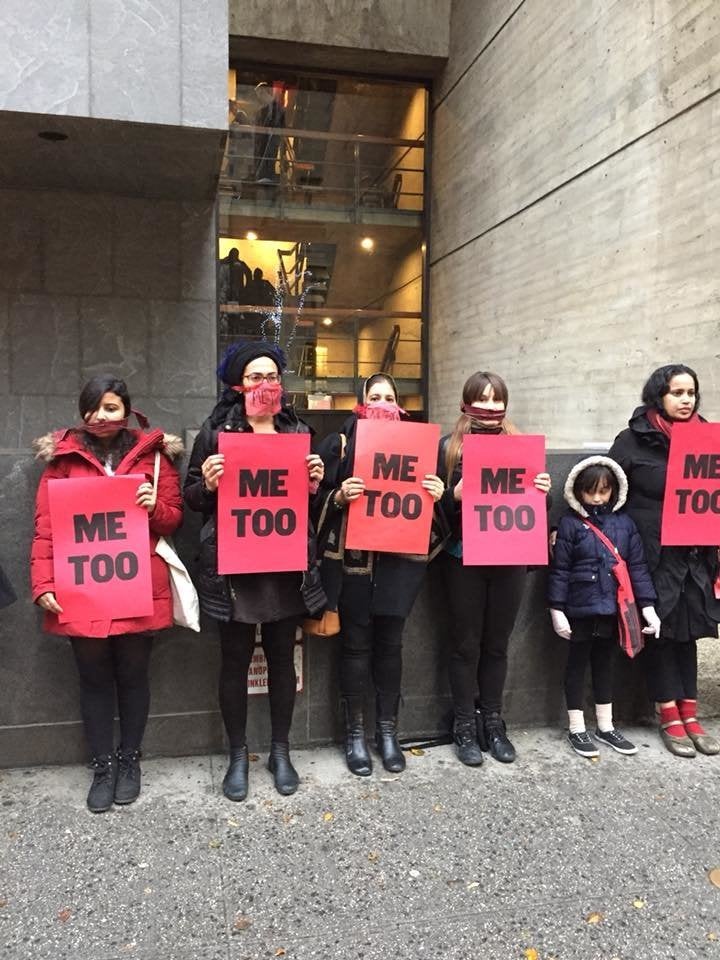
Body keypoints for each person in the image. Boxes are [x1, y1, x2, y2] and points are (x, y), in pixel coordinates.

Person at [30, 375, 184, 812]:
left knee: (134, 679)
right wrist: (43, 583)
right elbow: (46, 529)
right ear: (83, 412)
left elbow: (174, 520)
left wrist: (155, 506)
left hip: (138, 585)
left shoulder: (154, 457)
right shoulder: (62, 460)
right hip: (83, 590)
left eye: (112, 407)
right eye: (94, 407)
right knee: (94, 680)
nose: (102, 415)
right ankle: (102, 766)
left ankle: (129, 762)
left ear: (127, 410)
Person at [184, 340, 324, 799]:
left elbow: (308, 503)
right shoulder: (215, 431)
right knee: (235, 662)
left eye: (272, 376)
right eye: (255, 377)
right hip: (235, 568)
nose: (265, 384)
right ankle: (237, 755)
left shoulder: (296, 430)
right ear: (237, 385)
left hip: (284, 565)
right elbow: (191, 499)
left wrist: (316, 484)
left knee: (284, 658)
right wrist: (206, 483)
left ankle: (281, 752)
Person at [313, 374, 446, 776]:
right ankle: (354, 735)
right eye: (375, 396)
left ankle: (387, 732)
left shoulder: (420, 450)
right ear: (360, 402)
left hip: (399, 565)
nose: (383, 403)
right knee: (354, 647)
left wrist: (436, 493)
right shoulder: (337, 444)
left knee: (391, 646)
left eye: (390, 397)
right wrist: (337, 496)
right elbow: (312, 500)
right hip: (352, 564)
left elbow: (439, 520)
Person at [436, 371, 552, 766]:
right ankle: (465, 725)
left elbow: (534, 514)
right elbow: (430, 514)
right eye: (482, 398)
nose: (489, 406)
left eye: (496, 398)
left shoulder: (520, 446)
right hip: (461, 558)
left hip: (510, 559)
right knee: (465, 645)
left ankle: (494, 721)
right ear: (466, 401)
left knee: (497, 645)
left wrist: (542, 492)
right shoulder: (446, 449)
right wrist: (453, 495)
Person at [608, 364, 720, 757]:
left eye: (691, 392)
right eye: (677, 392)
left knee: (688, 632)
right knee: (662, 632)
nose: (686, 400)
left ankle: (690, 712)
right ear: (659, 396)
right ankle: (667, 712)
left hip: (695, 555)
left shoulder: (709, 440)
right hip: (652, 554)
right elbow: (606, 489)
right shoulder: (633, 440)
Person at [547, 456, 660, 757]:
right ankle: (576, 727)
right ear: (578, 491)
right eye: (590, 491)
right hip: (580, 608)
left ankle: (605, 725)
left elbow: (637, 568)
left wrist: (647, 606)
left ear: (614, 490)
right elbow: (559, 570)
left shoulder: (624, 524)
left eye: (603, 491)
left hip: (613, 609)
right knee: (576, 665)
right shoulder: (570, 525)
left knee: (604, 666)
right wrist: (556, 608)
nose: (597, 497)